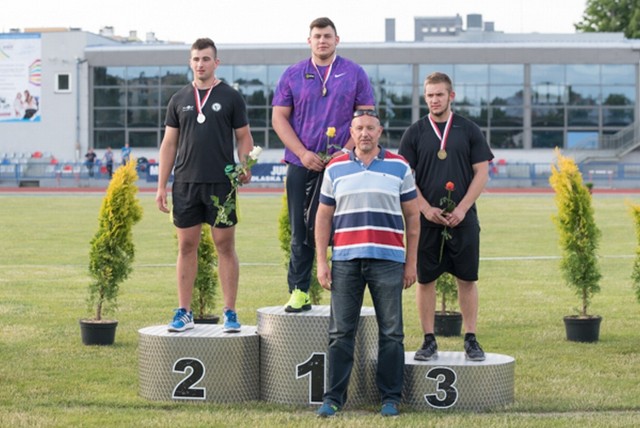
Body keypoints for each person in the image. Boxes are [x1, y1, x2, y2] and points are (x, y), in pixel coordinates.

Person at [314, 110, 420, 418]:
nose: (365, 133)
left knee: (391, 332)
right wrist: (322, 261)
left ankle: (390, 398)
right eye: (359, 128)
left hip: (388, 261)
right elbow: (323, 217)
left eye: (370, 128)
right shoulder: (335, 168)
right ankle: (333, 398)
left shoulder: (400, 167)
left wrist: (410, 262)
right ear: (351, 131)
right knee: (340, 332)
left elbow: (413, 218)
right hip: (346, 261)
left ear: (380, 131)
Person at [272, 17, 375, 313]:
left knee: (344, 229)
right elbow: (279, 118)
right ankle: (299, 290)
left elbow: (366, 116)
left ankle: (343, 292)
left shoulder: (354, 73)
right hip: (301, 163)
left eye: (327, 36)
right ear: (309, 41)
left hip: (344, 164)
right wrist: (302, 152)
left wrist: (346, 150)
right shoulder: (292, 74)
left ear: (336, 40)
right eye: (317, 36)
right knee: (301, 229)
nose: (322, 41)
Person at [155, 37, 254, 333]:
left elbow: (244, 137)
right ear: (190, 62)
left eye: (206, 59)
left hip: (221, 184)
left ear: (216, 62)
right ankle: (184, 312)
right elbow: (169, 144)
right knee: (186, 246)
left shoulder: (231, 97)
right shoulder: (179, 99)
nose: (201, 64)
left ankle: (230, 313)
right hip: (185, 184)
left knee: (225, 246)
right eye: (196, 59)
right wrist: (161, 186)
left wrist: (244, 165)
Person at [398, 71, 494, 362]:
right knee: (425, 280)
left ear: (451, 96)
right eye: (429, 95)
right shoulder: (414, 132)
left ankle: (471, 338)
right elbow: (405, 176)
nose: (434, 100)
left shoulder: (469, 130)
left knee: (467, 278)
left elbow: (482, 172)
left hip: (462, 219)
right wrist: (425, 208)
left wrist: (463, 207)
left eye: (439, 94)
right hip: (426, 220)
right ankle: (428, 340)